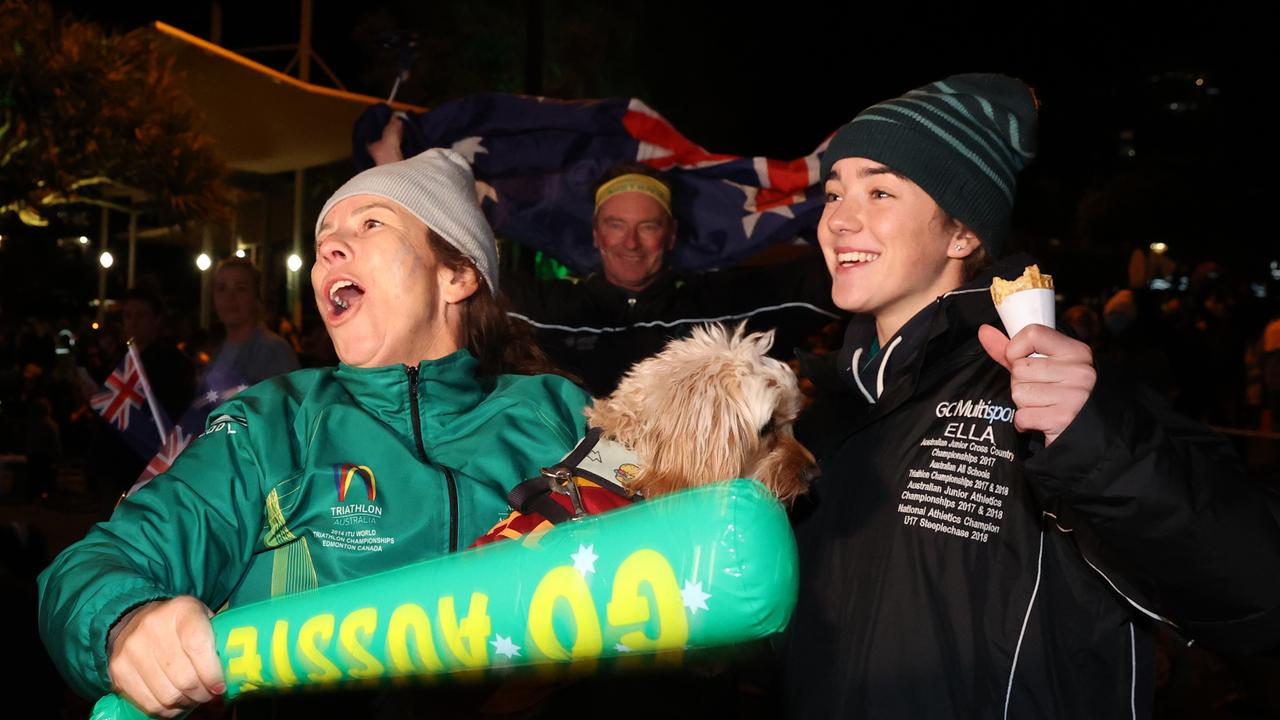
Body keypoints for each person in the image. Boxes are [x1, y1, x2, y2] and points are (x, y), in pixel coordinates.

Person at [784, 74, 1280, 718]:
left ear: (962, 235)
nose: (839, 220)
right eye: (833, 193)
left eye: (879, 191)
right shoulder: (824, 414)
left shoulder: (1057, 390)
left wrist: (1098, 442)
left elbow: (1256, 589)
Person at [37, 148, 591, 717]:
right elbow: (98, 562)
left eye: (371, 222)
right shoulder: (274, 422)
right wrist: (128, 622)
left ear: (458, 274)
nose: (326, 249)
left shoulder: (562, 414)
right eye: (324, 235)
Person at [503, 162, 841, 396]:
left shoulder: (717, 302)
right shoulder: (547, 308)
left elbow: (824, 277)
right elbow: (467, 279)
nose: (631, 243)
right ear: (596, 234)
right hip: (574, 491)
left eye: (647, 226)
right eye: (616, 225)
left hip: (689, 493)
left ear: (670, 235)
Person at [208, 257, 299, 385]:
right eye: (221, 288)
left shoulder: (274, 352)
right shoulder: (217, 354)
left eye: (240, 288)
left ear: (256, 296)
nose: (230, 297)